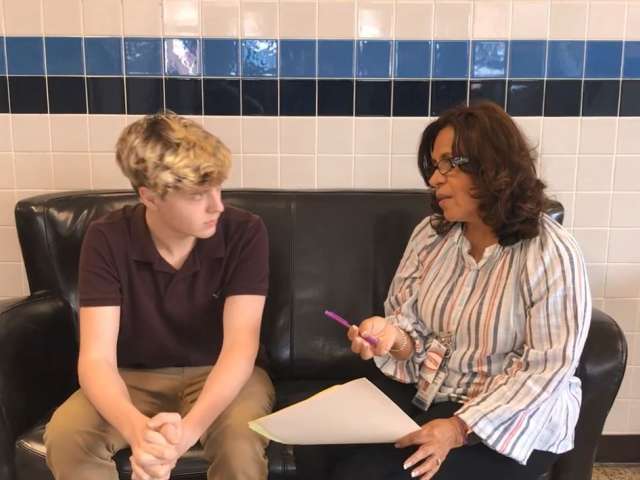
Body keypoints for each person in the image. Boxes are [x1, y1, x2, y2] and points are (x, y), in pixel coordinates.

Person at [336, 102, 591, 480]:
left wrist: (458, 428)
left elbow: (545, 370)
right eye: (434, 167)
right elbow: (412, 334)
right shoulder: (430, 235)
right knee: (322, 451)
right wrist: (392, 338)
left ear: (493, 168)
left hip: (513, 419)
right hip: (434, 395)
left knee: (369, 474)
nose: (434, 180)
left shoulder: (550, 252)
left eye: (447, 164)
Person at [44, 113, 274, 480]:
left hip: (221, 372)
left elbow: (239, 348)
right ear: (149, 197)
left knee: (240, 440)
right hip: (133, 377)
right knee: (67, 434)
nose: (217, 205)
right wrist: (138, 431)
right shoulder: (107, 238)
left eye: (218, 188)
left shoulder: (245, 232)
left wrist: (187, 434)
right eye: (199, 195)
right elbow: (96, 359)